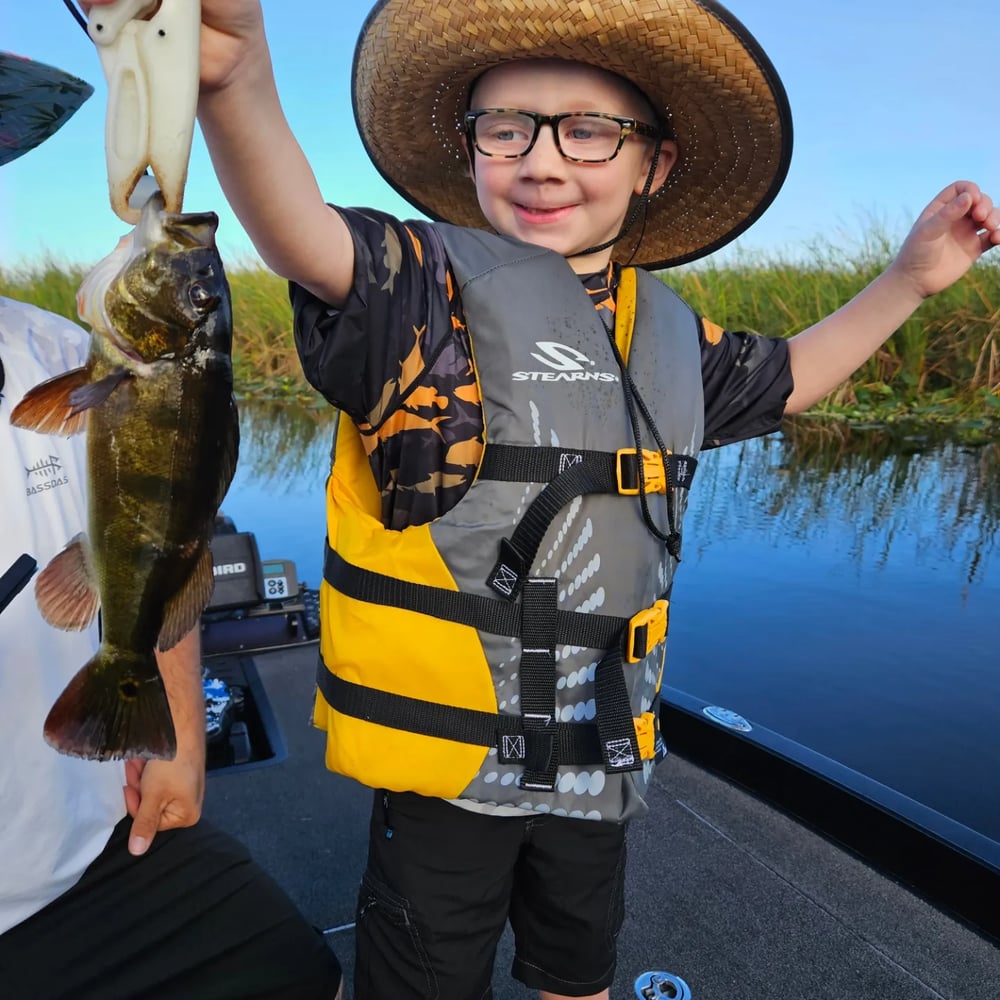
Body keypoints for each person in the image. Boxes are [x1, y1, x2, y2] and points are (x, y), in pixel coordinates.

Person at [83, 1, 999, 998]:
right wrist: (235, 81)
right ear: (470, 149)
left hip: (598, 751)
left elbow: (790, 374)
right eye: (505, 127)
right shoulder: (414, 295)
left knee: (578, 970)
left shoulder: (675, 340)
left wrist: (913, 276)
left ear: (655, 163)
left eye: (590, 129)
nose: (543, 160)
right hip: (445, 780)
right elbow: (304, 236)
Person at [0, 51, 343, 1000]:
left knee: (300, 973)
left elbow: (165, 538)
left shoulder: (60, 351)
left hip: (87, 854)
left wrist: (181, 740)